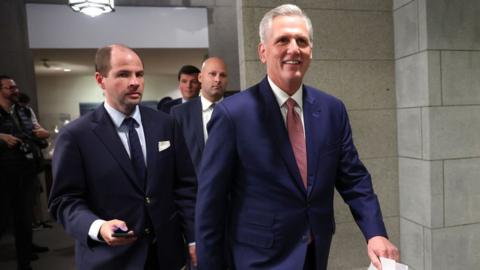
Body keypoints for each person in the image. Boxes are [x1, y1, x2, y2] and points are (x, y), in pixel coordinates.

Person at [195, 4, 399, 270]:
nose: (294, 48)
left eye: (301, 41)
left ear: (310, 52)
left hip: (315, 253)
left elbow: (354, 178)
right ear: (263, 51)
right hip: (257, 260)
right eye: (283, 40)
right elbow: (211, 205)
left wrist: (375, 232)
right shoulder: (233, 115)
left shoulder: (332, 110)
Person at [48, 44, 197, 270]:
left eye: (139, 74)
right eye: (123, 74)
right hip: (110, 259)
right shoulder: (75, 136)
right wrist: (98, 227)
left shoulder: (165, 124)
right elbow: (64, 201)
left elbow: (185, 187)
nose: (135, 81)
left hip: (167, 257)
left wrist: (194, 238)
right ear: (100, 80)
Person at [0, 75, 49, 270]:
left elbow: (38, 133)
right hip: (3, 174)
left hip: (26, 171)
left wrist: (43, 134)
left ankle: (25, 260)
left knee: (24, 218)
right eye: (9, 88)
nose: (15, 90)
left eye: (15, 87)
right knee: (4, 219)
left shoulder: (25, 111)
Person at [171, 57, 228, 173]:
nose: (217, 79)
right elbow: (174, 157)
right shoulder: (179, 113)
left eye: (222, 75)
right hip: (194, 188)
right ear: (200, 77)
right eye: (212, 74)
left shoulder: (239, 109)